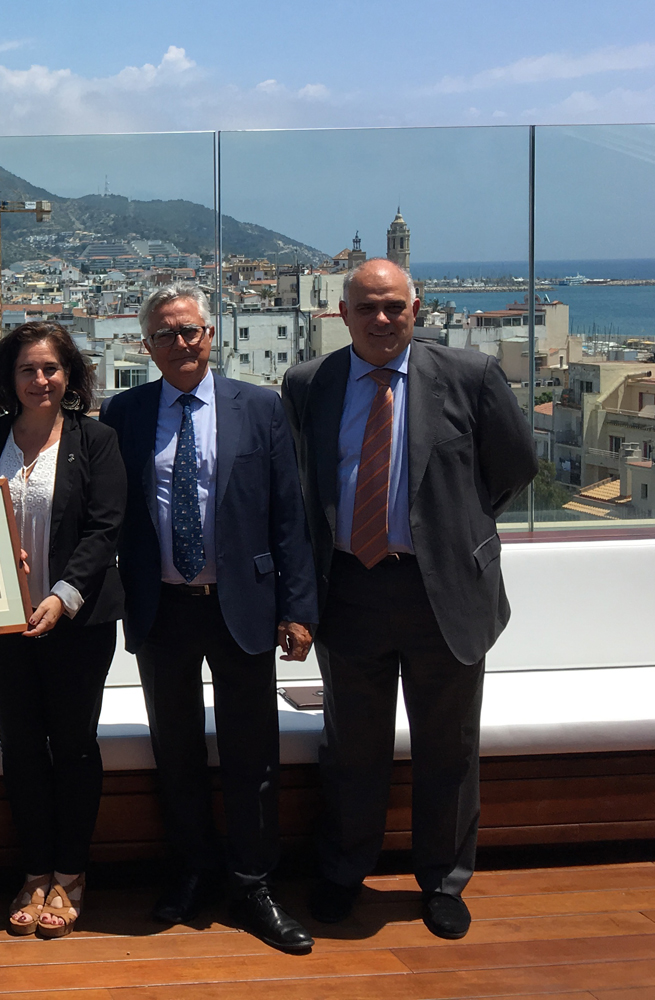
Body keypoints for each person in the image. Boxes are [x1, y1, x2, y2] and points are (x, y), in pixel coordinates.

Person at [282, 258, 536, 940]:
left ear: (416, 309)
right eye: (367, 307)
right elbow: (303, 488)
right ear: (342, 315)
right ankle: (342, 871)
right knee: (350, 746)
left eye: (394, 306)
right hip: (350, 588)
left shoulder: (469, 376)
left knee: (448, 746)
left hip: (444, 590)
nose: (382, 319)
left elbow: (513, 470)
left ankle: (444, 881)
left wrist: (453, 533)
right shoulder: (308, 384)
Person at [100, 285, 319, 954]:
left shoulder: (259, 407)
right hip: (161, 606)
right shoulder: (125, 412)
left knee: (253, 752)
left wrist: (299, 608)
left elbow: (290, 513)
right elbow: (110, 515)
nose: (181, 343)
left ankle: (254, 884)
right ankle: (194, 870)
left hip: (243, 606)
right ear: (147, 346)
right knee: (177, 750)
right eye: (165, 335)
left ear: (211, 334)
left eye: (190, 330)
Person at [0, 320, 125, 939]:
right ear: (9, 378)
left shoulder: (97, 440)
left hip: (75, 622)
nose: (40, 380)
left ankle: (71, 874)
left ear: (70, 376)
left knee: (76, 745)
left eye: (51, 368)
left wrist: (62, 598)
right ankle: (34, 872)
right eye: (27, 369)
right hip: (1, 622)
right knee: (21, 746)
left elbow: (104, 530)